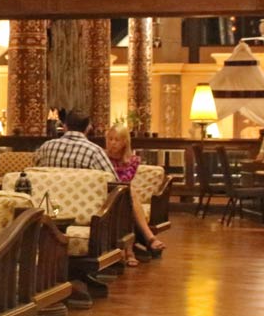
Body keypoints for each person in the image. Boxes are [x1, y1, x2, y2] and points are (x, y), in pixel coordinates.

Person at [105, 122, 166, 265]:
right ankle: (144, 242)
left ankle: (129, 250)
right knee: (130, 193)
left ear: (124, 142)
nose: (112, 143)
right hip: (105, 195)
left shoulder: (132, 160)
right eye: (110, 139)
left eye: (117, 140)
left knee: (128, 194)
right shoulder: (101, 156)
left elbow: (124, 181)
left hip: (122, 196)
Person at [33, 109, 115, 173]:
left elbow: (36, 172)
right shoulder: (95, 152)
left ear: (65, 127)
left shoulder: (46, 147)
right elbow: (113, 181)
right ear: (88, 128)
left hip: (51, 190)